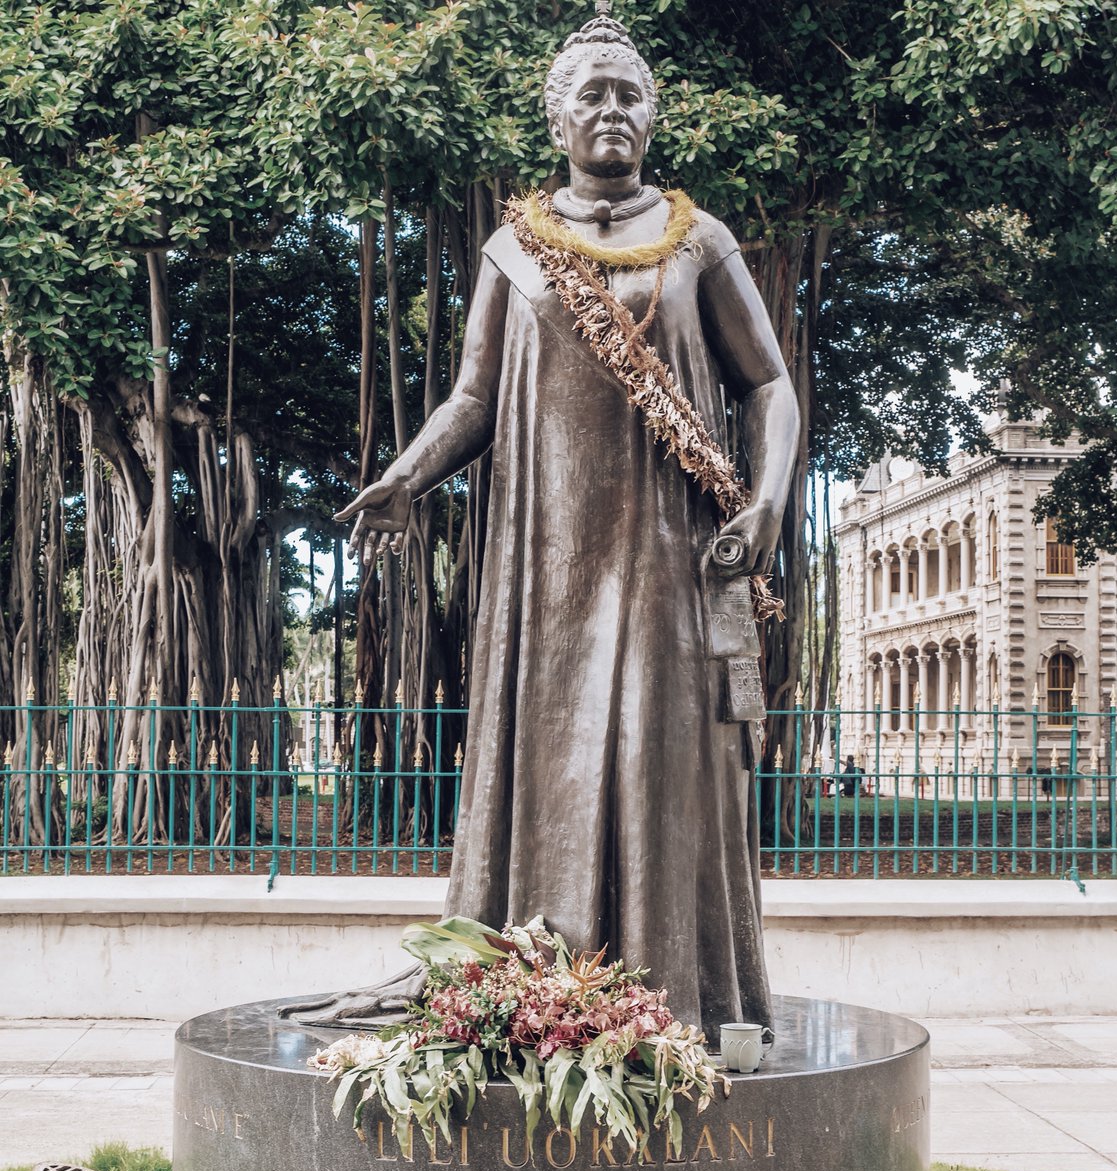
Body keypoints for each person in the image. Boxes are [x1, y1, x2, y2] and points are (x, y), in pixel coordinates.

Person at [285, 11, 799, 1039]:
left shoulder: (698, 240)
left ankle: (666, 997)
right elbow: (473, 398)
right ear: (557, 119)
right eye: (590, 95)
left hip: (669, 552)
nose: (611, 111)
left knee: (662, 757)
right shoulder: (515, 251)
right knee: (545, 757)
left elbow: (770, 383)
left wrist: (769, 503)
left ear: (653, 115)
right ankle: (530, 992)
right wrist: (407, 476)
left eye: (628, 94)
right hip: (546, 558)